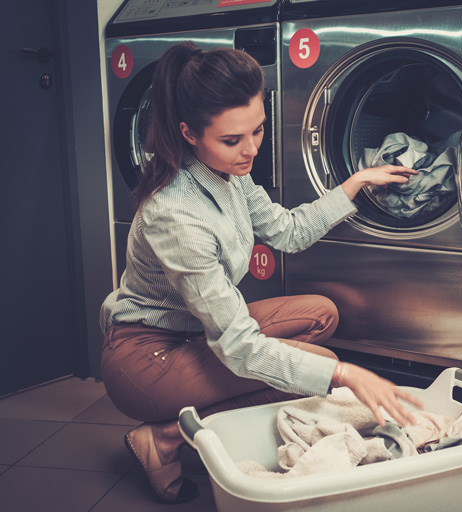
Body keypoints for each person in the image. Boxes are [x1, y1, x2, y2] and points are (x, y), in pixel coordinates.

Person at [99, 41, 422, 504]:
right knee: (323, 369)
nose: (251, 149)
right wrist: (347, 374)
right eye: (233, 140)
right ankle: (166, 436)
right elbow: (239, 347)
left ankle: (207, 413)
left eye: (258, 130)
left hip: (193, 334)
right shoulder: (176, 215)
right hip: (145, 359)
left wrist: (355, 183)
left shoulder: (230, 173)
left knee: (320, 314)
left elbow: (288, 231)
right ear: (189, 133)